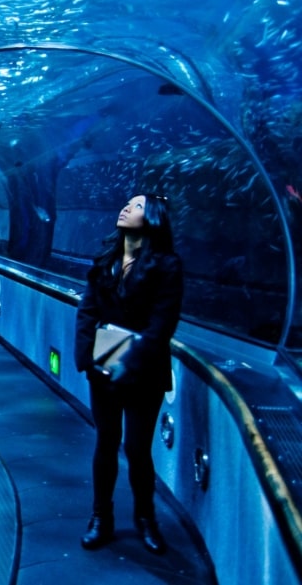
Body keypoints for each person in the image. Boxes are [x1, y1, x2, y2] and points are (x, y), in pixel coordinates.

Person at [74, 194, 183, 555]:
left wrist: (128, 362)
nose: (126, 207)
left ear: (152, 218)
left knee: (137, 449)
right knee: (105, 442)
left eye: (136, 206)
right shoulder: (105, 259)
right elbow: (87, 311)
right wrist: (87, 359)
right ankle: (100, 517)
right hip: (103, 367)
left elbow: (161, 325)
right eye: (127, 203)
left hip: (144, 371)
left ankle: (145, 518)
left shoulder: (167, 266)